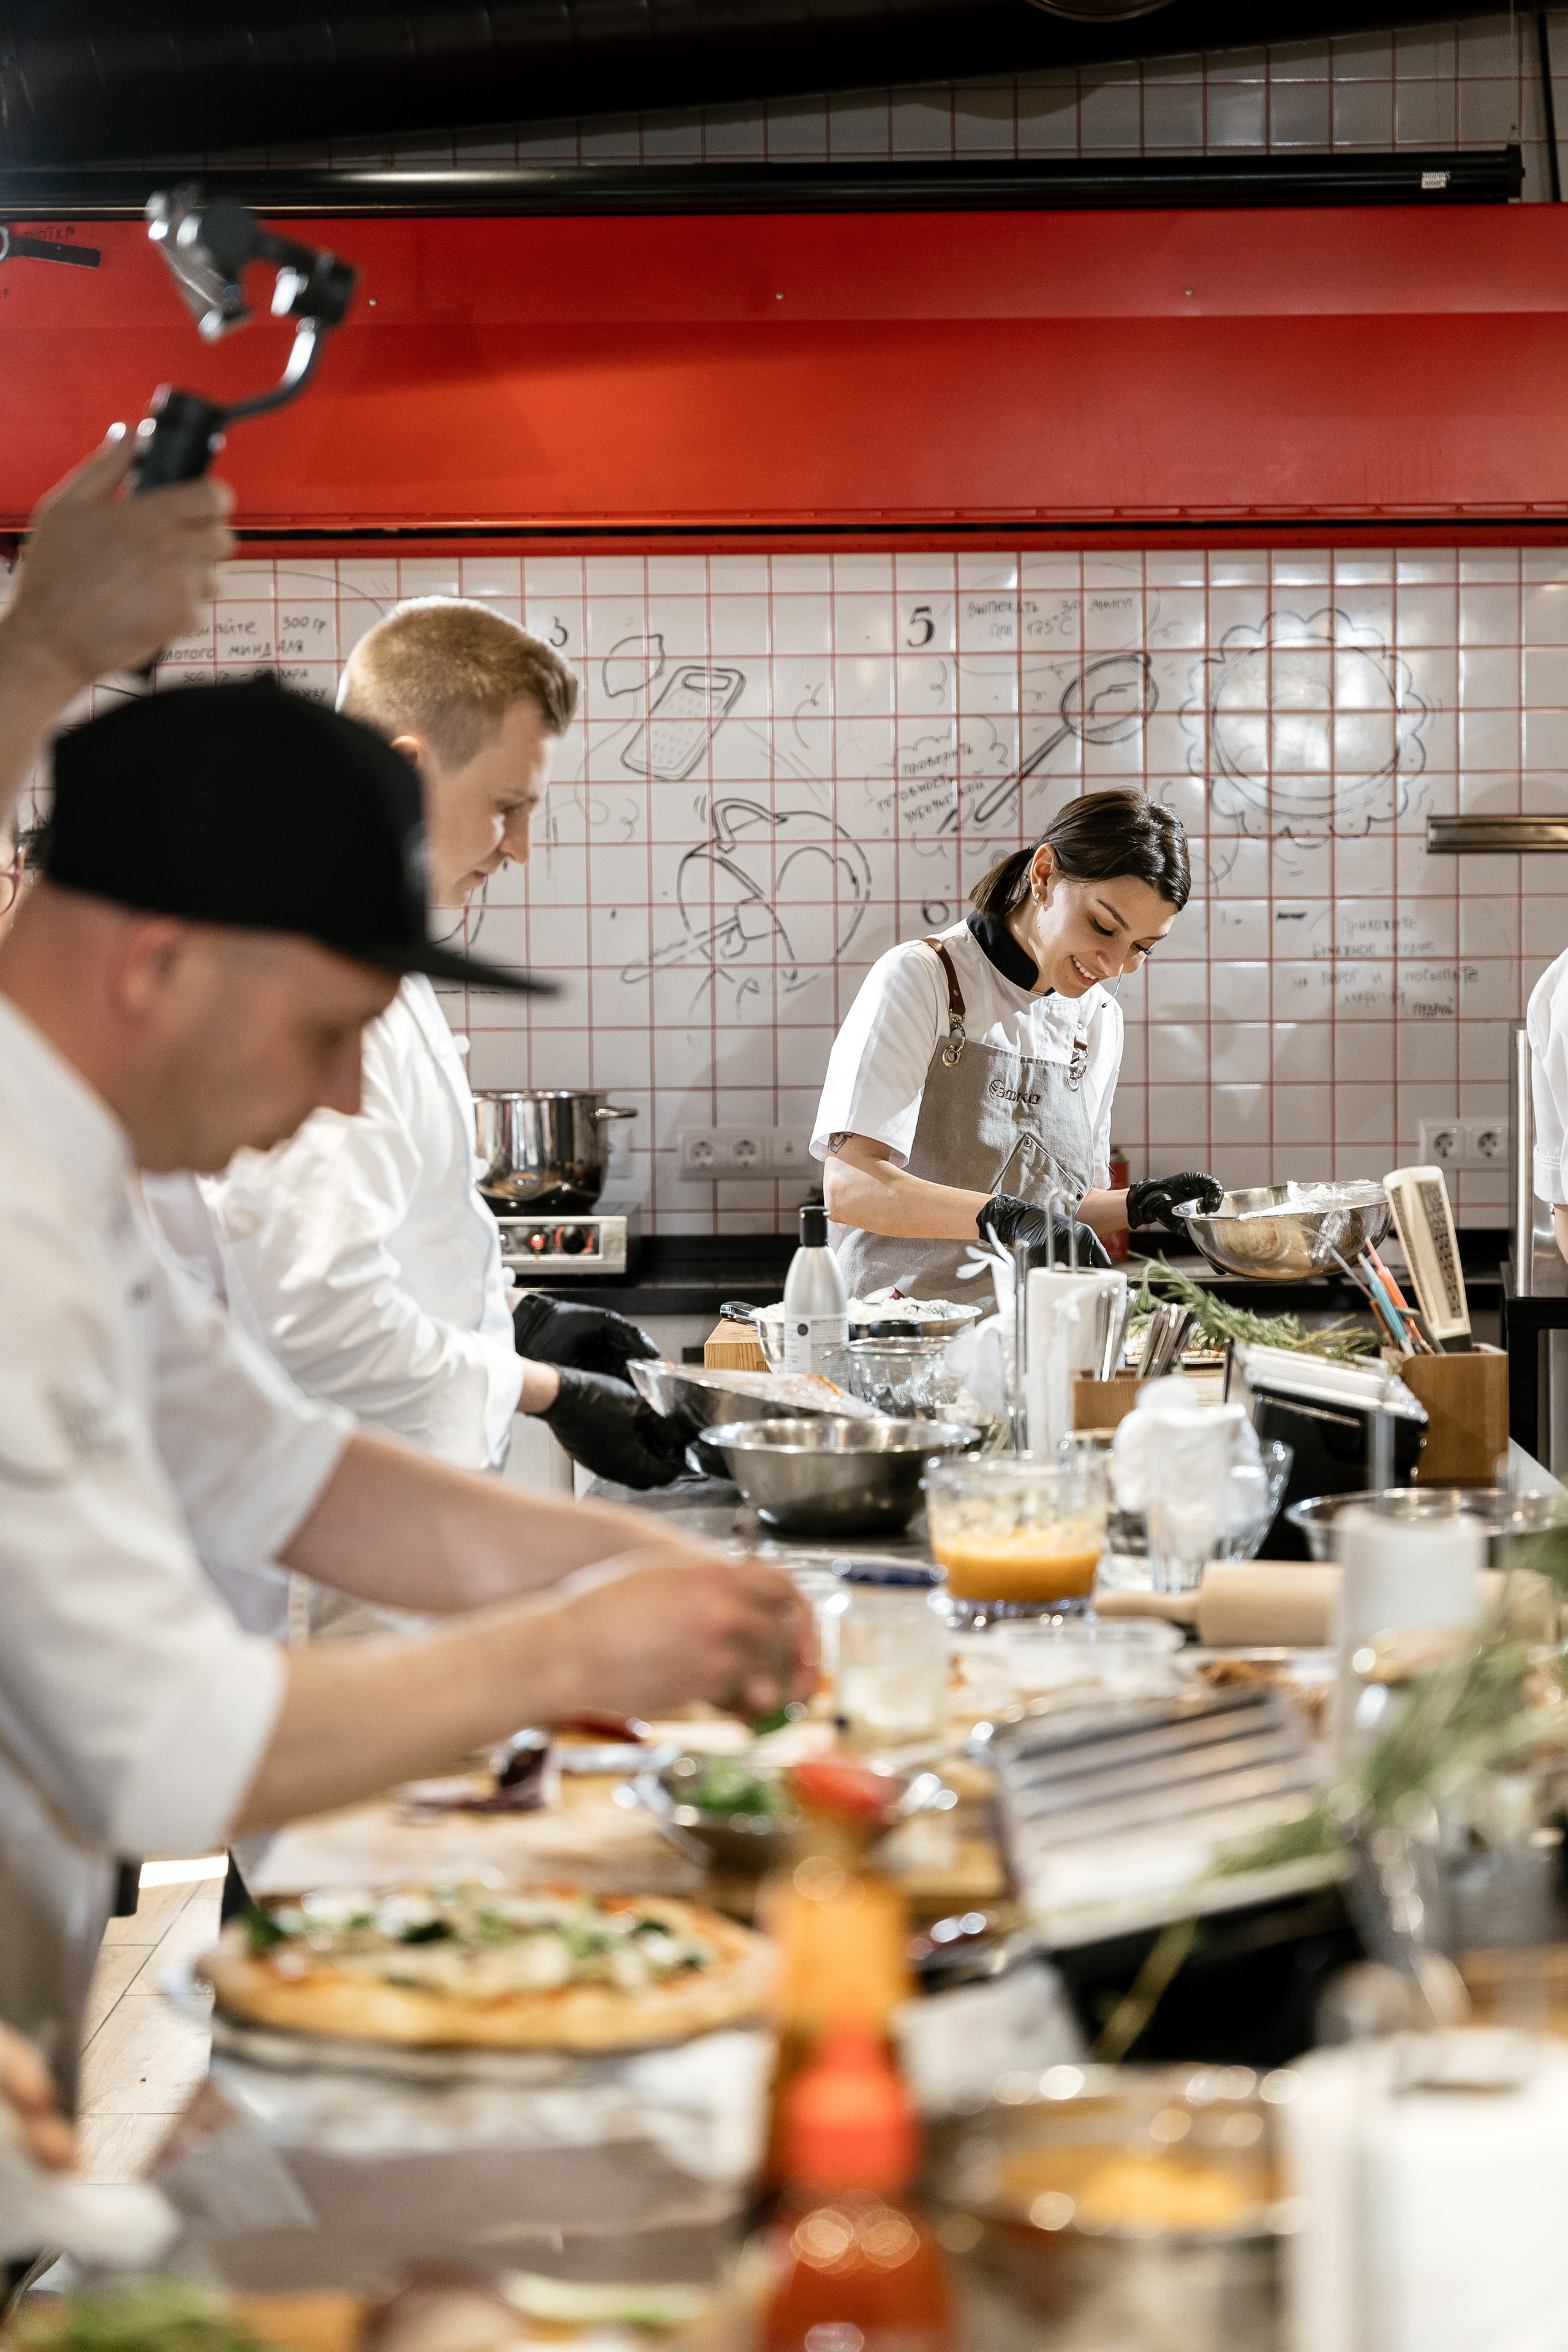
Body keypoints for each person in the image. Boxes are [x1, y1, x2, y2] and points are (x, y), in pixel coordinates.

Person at [0, 680, 812, 2103]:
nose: (341, 1098)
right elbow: (155, 1741)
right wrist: (569, 1651)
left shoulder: (76, 1187)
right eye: (326, 1032)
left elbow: (291, 1470)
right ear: (156, 966)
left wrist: (642, 1566)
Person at [144, 603, 680, 1627]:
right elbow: (321, 1318)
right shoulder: (306, 962)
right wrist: (543, 1390)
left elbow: (393, 1229)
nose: (520, 849)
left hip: (398, 1514)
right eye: (506, 807)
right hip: (335, 1547)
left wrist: (523, 1317)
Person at [813, 791, 1224, 1300]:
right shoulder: (922, 977)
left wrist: (1138, 1204)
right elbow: (851, 1187)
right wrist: (1003, 1217)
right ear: (1044, 875)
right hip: (900, 1331)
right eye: (1103, 926)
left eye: (1142, 948)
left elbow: (1061, 1209)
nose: (1113, 965)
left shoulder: (1097, 1019)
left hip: (1033, 1333)